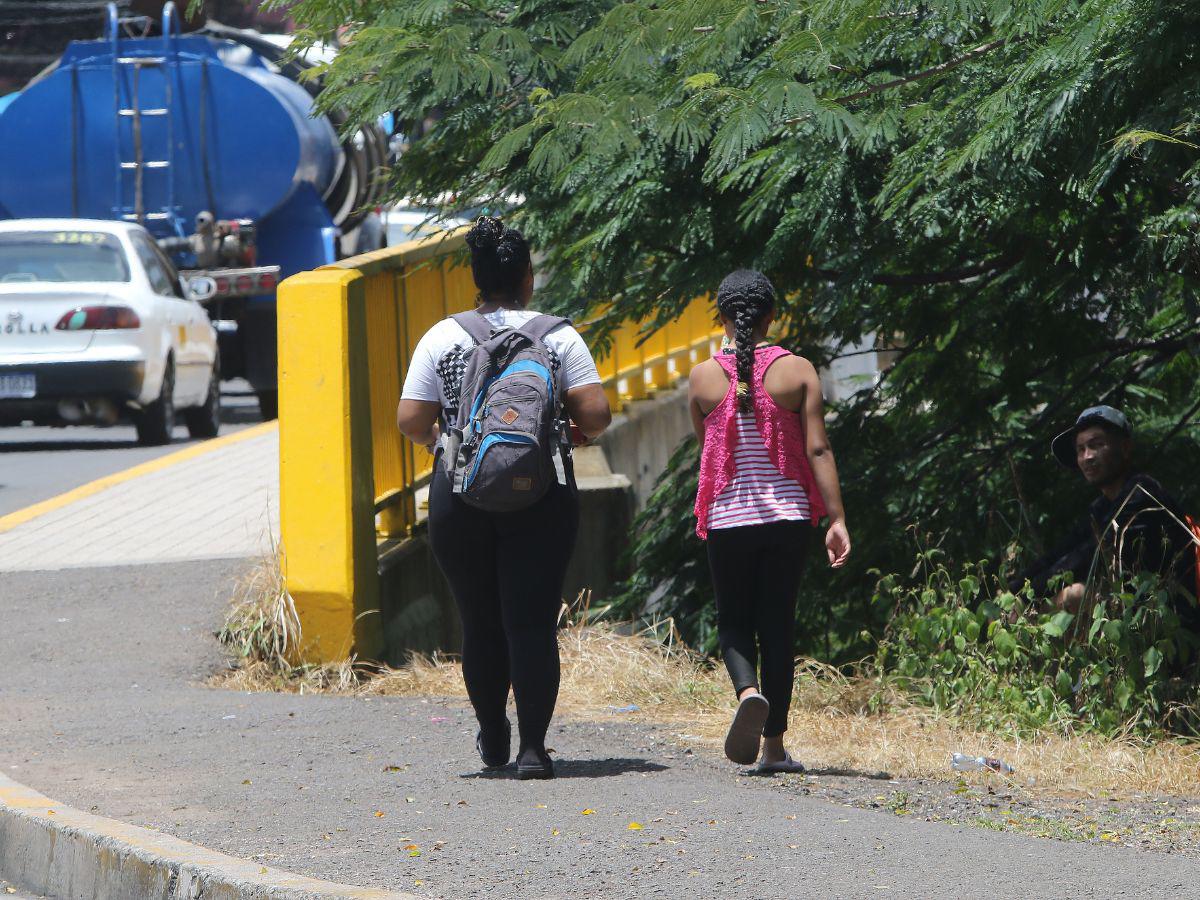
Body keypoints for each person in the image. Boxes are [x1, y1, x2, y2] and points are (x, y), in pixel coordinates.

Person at [396, 216, 611, 779]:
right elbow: (596, 414)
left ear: (477, 279)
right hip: (543, 493)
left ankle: (493, 729)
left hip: (459, 493)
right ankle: (534, 749)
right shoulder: (557, 336)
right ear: (527, 277)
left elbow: (410, 418)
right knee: (532, 622)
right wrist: (561, 436)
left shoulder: (443, 335)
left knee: (479, 621)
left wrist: (447, 446)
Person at [689, 269, 851, 773]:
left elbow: (710, 453)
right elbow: (818, 447)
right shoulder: (798, 370)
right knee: (777, 627)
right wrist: (837, 518)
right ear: (772, 316)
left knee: (734, 620)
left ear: (720, 317)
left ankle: (747, 693)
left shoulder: (701, 377)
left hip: (729, 518)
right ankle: (774, 748)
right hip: (787, 520)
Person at [1009, 405, 1197, 615]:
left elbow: (1093, 555)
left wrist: (1027, 597)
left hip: (1170, 620)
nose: (1087, 456)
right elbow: (1060, 553)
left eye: (1096, 445)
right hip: (1133, 613)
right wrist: (1013, 592)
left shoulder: (1142, 495)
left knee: (1074, 596)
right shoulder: (1102, 506)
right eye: (1081, 449)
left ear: (1125, 448)